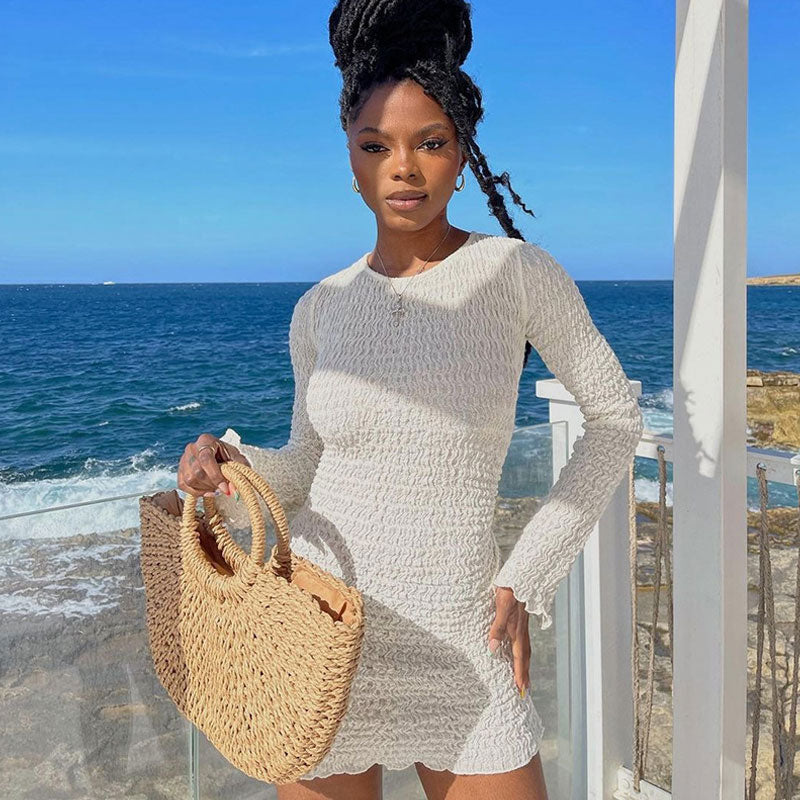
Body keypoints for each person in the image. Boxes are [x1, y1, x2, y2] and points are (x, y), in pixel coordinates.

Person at [176, 1, 643, 798]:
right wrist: (231, 462)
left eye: (430, 142)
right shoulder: (320, 306)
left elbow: (615, 420)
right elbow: (306, 465)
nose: (405, 167)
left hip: (462, 638)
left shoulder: (516, 274)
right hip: (325, 637)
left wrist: (525, 577)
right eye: (377, 146)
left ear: (461, 155)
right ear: (352, 161)